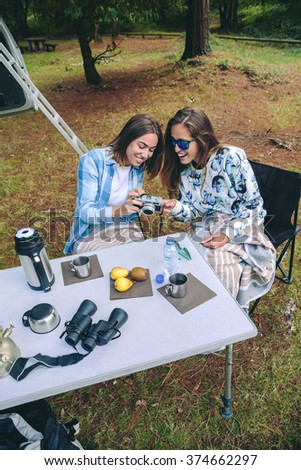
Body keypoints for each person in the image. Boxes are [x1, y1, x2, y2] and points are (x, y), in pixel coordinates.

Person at [161, 107, 276, 310]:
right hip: (206, 226)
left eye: (182, 143)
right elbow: (192, 212)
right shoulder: (186, 172)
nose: (176, 149)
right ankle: (201, 312)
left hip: (242, 225)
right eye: (173, 142)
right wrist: (176, 207)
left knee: (218, 263)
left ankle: (226, 322)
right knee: (188, 260)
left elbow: (254, 206)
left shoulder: (229, 157)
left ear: (201, 138)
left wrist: (227, 234)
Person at [64, 114, 163, 254]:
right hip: (91, 231)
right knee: (107, 262)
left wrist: (139, 203)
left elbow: (130, 214)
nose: (146, 154)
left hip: (123, 227)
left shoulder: (138, 167)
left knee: (140, 257)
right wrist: (121, 210)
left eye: (151, 150)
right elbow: (85, 212)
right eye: (142, 146)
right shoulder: (92, 161)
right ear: (127, 138)